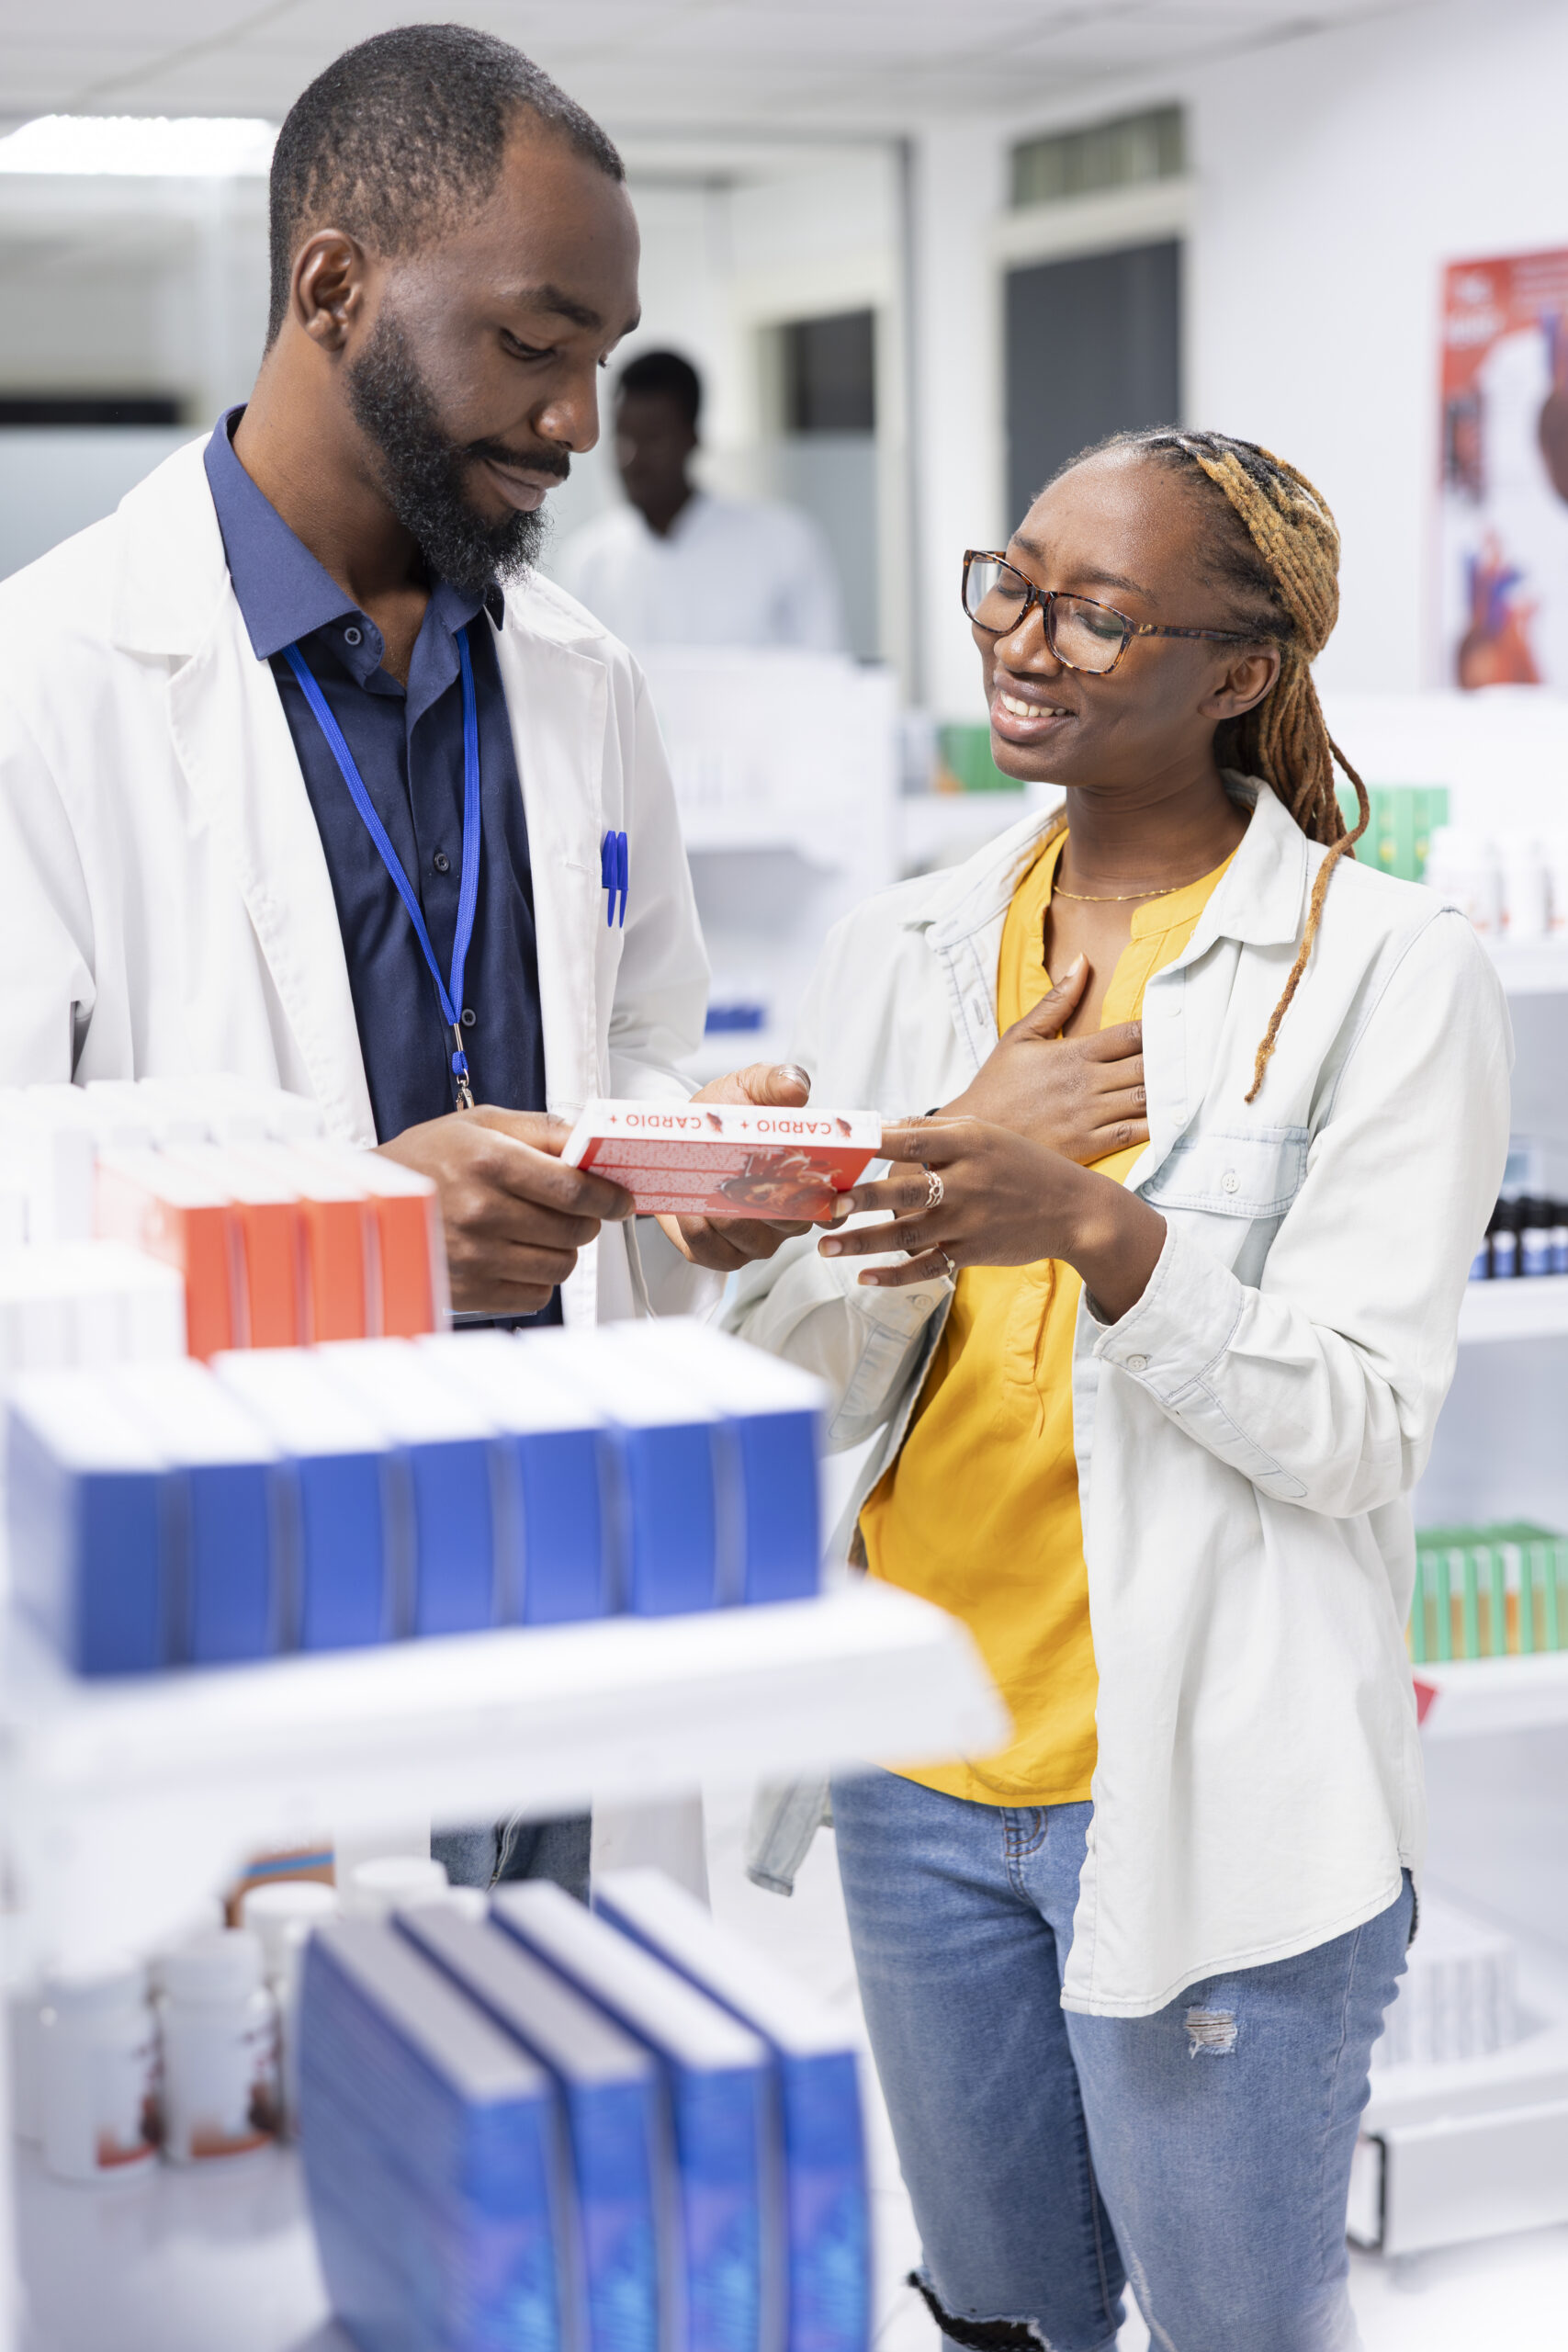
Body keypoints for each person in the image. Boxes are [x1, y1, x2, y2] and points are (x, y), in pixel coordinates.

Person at [0, 25, 805, 1895]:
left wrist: (696, 1145)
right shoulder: (47, 686)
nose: (574, 424)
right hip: (250, 1556)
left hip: (560, 1534)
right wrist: (355, 1223)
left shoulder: (579, 671)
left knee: (568, 2071)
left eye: (594, 360)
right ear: (333, 285)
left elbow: (639, 1028)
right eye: (531, 342)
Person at [728, 431, 1510, 2348]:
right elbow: (790, 1378)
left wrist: (1092, 1228)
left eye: (1097, 611)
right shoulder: (901, 943)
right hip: (919, 1760)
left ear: (1237, 671)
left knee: (1232, 2318)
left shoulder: (1383, 972)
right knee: (996, 2312)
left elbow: (1353, 1420)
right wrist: (822, 1214)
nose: (1027, 638)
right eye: (1012, 583)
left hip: (1208, 1780)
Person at [554, 349, 846, 650]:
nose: (633, 459)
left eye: (653, 438)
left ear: (693, 438)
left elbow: (824, 675)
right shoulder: (589, 561)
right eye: (622, 438)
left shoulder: (784, 544)